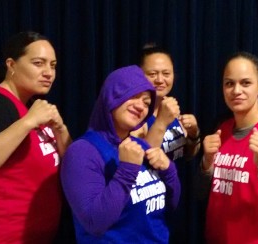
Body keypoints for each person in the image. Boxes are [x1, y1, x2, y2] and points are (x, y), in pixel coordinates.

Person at [61, 65, 181, 243]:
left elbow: (171, 205)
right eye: (133, 96)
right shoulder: (82, 152)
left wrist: (169, 170)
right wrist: (126, 171)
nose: (140, 106)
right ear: (112, 95)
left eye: (146, 102)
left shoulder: (140, 145)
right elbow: (94, 222)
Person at [0, 31, 72, 243]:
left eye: (53, 65)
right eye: (39, 63)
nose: (49, 72)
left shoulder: (31, 107)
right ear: (11, 65)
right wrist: (27, 122)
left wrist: (61, 129)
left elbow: (72, 163)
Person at [199, 51, 258, 243]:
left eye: (245, 83)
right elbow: (200, 195)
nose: (236, 90)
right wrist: (206, 163)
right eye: (229, 83)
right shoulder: (221, 129)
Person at [131, 44, 200, 163]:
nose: (159, 80)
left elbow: (188, 154)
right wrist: (161, 122)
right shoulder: (136, 113)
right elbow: (139, 165)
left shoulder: (170, 105)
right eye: (152, 74)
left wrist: (194, 134)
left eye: (166, 74)